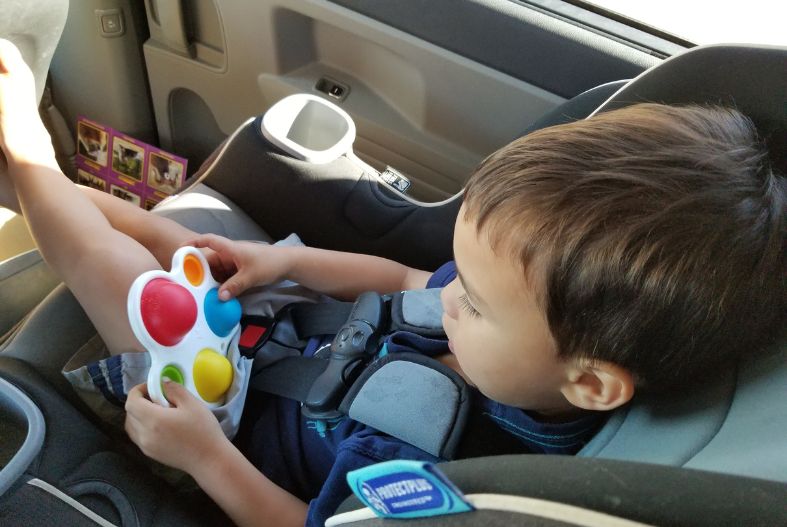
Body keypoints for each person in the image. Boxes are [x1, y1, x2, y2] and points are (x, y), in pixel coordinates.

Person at [1, 38, 785, 527]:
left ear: (588, 383)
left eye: (472, 302)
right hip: (285, 326)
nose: (450, 295)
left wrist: (203, 457)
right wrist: (290, 263)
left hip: (221, 416)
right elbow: (407, 277)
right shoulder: (517, 328)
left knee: (133, 283)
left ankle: (28, 152)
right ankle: (33, 188)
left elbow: (310, 521)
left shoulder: (449, 470)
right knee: (179, 239)